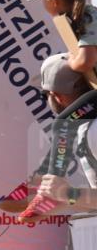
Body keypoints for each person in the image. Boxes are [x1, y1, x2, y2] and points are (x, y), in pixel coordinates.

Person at [30, 54, 97, 213]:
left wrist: (69, 194)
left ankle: (45, 180)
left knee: (62, 124)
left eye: (44, 95)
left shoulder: (93, 131)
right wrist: (68, 200)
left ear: (56, 96)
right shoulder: (87, 130)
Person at [27, 0, 97, 74]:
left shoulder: (88, 17)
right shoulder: (76, 18)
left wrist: (70, 61)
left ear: (54, 0)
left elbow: (85, 62)